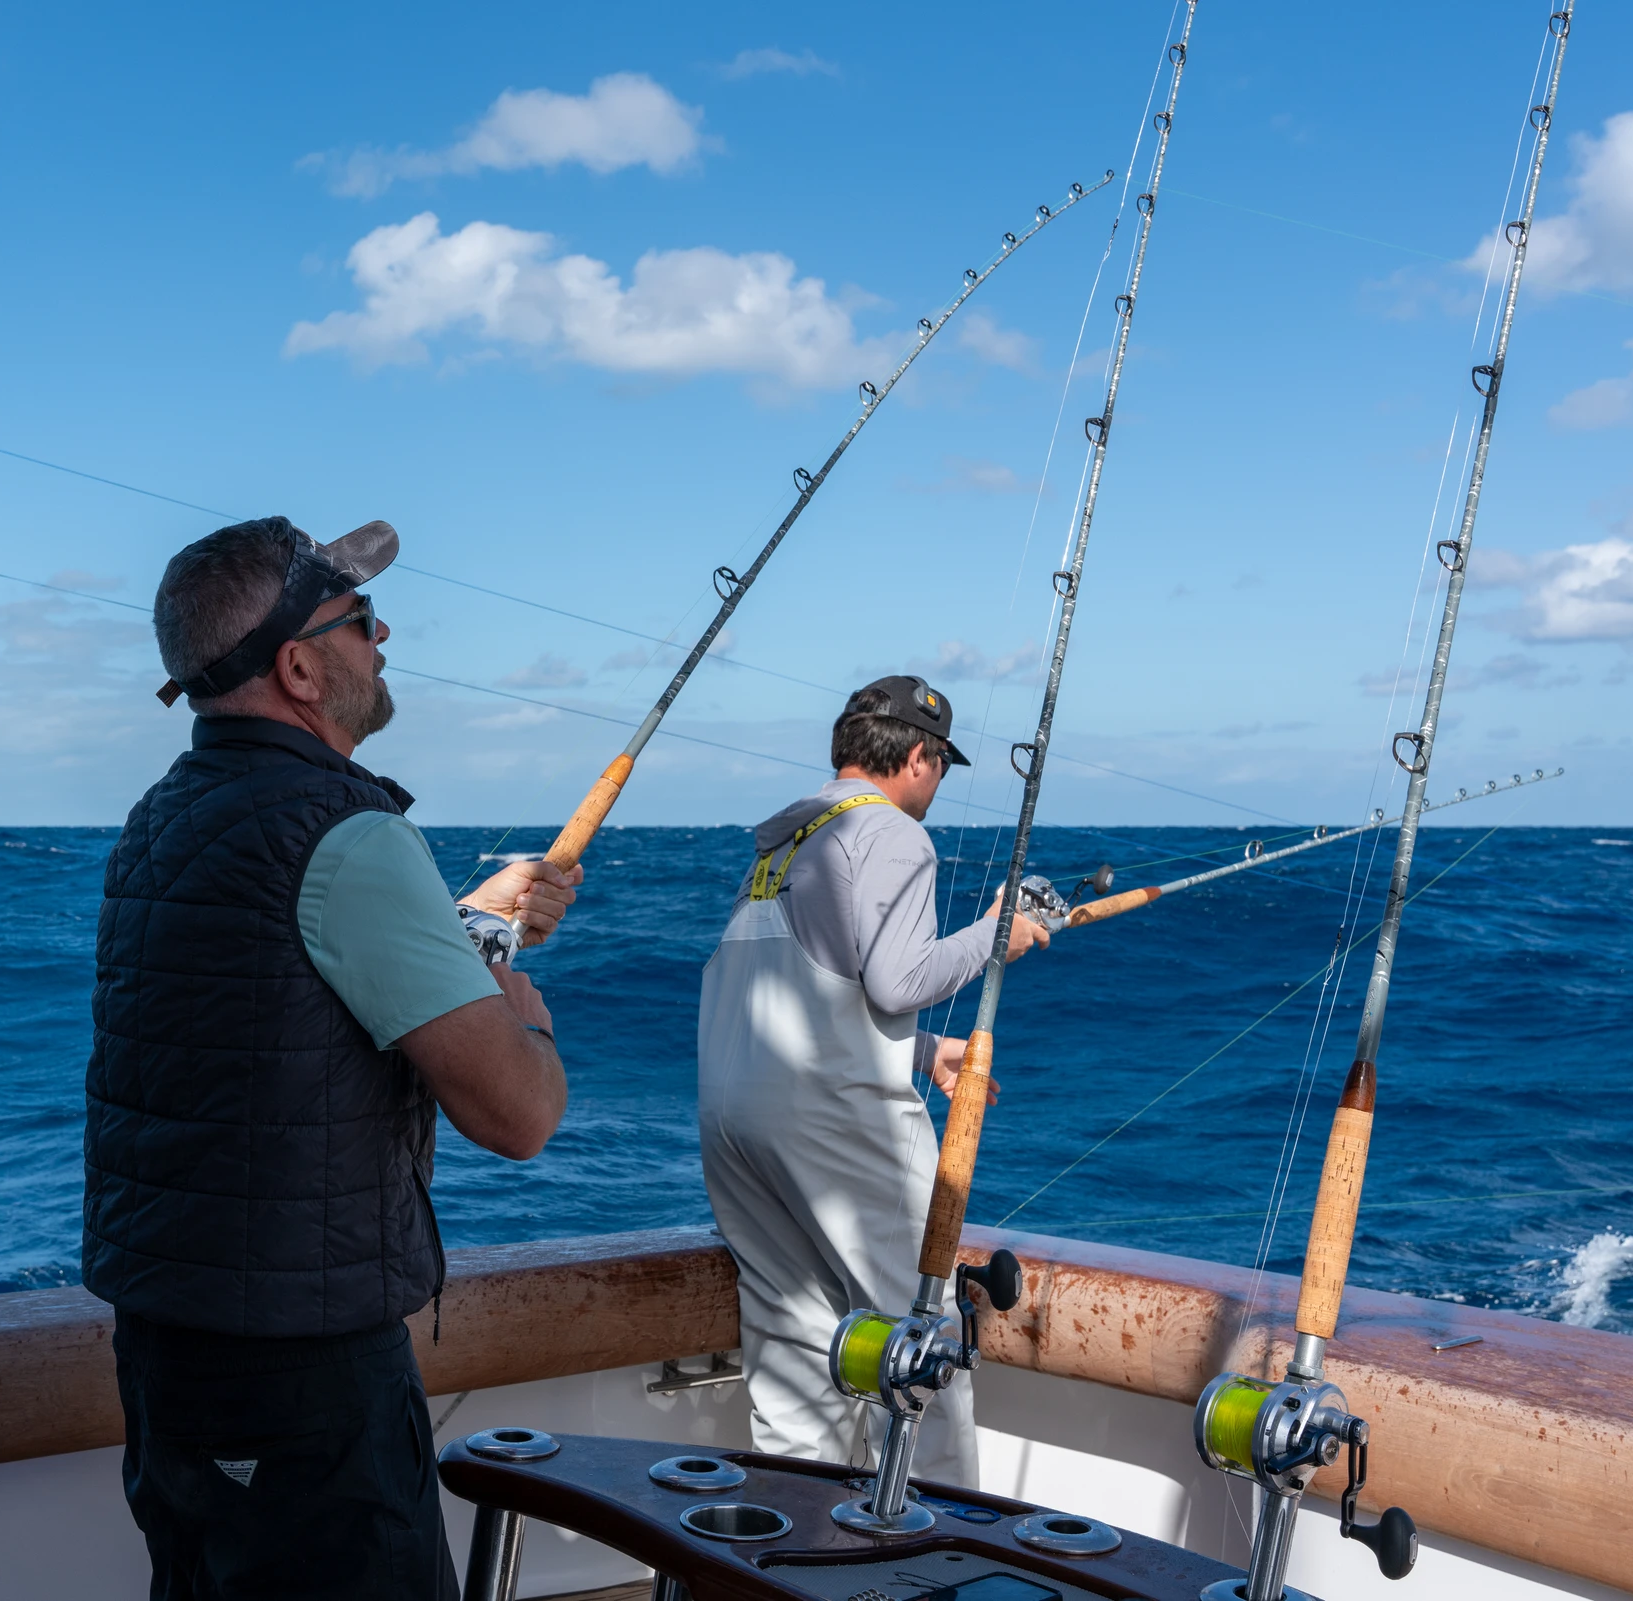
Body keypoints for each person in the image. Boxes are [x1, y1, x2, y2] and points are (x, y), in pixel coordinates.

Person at [84, 515, 580, 1600]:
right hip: (300, 1378)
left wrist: (453, 923)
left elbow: (276, 986)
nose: (383, 633)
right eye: (358, 620)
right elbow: (518, 1115)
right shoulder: (347, 832)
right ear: (300, 668)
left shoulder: (163, 820)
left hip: (172, 1356)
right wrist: (520, 1007)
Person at [696, 675, 1048, 1488]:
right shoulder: (892, 834)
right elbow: (897, 979)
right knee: (925, 1340)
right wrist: (997, 934)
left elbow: (808, 983)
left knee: (793, 1355)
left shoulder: (785, 841)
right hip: (835, 1124)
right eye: (941, 765)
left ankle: (789, 1548)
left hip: (736, 1122)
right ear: (919, 757)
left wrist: (921, 1050)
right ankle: (945, 1551)